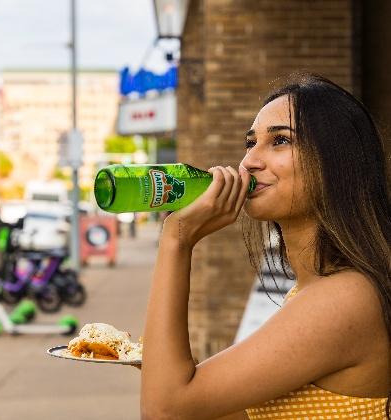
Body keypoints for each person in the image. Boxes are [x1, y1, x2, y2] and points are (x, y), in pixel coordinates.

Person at [140, 73, 391, 419]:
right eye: (250, 143)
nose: (249, 162)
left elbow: (164, 411)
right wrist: (161, 365)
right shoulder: (310, 291)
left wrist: (177, 239)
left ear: (336, 162)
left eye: (280, 142)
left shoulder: (344, 296)